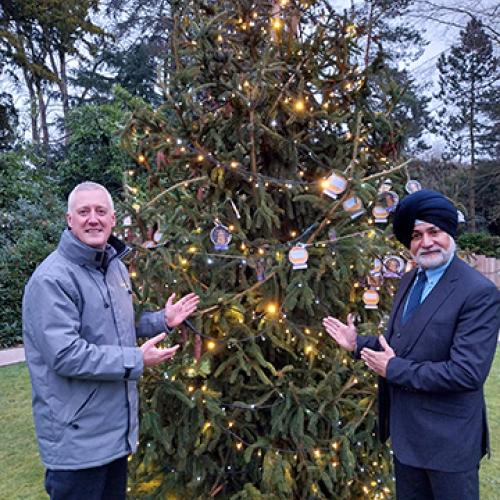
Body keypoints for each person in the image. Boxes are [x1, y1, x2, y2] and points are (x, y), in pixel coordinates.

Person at [22, 182, 200, 500]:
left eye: (101, 211)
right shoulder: (52, 280)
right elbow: (65, 354)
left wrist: (162, 320)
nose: (94, 219)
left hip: (114, 436)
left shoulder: (114, 267)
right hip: (77, 442)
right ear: (69, 219)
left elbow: (118, 325)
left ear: (113, 219)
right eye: (84, 212)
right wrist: (136, 360)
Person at [323, 189, 499, 500]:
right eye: (416, 235)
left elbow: (467, 373)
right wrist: (357, 344)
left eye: (434, 231)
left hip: (449, 444)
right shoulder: (410, 279)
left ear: (450, 233)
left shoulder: (478, 292)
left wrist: (394, 369)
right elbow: (400, 344)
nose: (426, 242)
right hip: (407, 439)